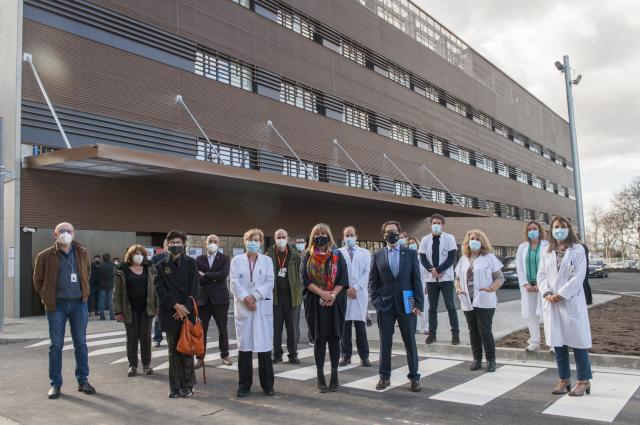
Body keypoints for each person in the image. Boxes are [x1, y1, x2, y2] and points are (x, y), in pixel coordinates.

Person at [33, 222, 96, 399]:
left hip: (79, 304)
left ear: (74, 234)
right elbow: (37, 281)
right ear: (55, 234)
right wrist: (46, 296)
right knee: (56, 345)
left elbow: (87, 273)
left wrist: (84, 292)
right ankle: (55, 384)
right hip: (56, 305)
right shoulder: (44, 256)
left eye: (69, 231)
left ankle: (83, 380)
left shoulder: (82, 252)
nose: (65, 233)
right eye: (62, 231)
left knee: (81, 344)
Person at [538, 216, 592, 397]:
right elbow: (541, 275)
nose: (559, 229)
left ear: (569, 229)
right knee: (558, 342)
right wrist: (547, 293)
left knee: (578, 342)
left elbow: (579, 276)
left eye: (562, 226)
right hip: (551, 302)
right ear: (551, 230)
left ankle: (584, 380)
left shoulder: (577, 250)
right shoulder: (547, 250)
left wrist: (561, 294)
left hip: (570, 301)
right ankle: (564, 379)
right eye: (555, 227)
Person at [369, 220, 423, 392]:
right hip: (384, 305)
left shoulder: (410, 254)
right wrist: (376, 302)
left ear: (400, 233)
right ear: (383, 235)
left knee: (410, 342)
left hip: (407, 304)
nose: (390, 234)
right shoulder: (377, 255)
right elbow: (372, 282)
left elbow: (416, 280)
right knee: (385, 343)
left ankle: (414, 377)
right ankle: (384, 377)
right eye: (387, 232)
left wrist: (419, 304)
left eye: (394, 231)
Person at [301, 223, 349, 393]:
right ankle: (320, 376)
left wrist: (332, 295)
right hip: (315, 303)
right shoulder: (307, 256)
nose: (320, 236)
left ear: (329, 236)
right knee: (320, 340)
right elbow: (305, 280)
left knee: (335, 338)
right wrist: (322, 294)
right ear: (313, 236)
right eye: (317, 233)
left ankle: (335, 375)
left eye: (323, 233)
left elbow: (343, 279)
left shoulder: (338, 255)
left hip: (335, 302)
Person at [154, 230, 200, 398]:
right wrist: (175, 306)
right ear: (167, 245)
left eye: (178, 242)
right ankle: (174, 386)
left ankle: (188, 384)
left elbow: (195, 288)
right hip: (170, 312)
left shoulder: (191, 263)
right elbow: (160, 289)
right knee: (173, 351)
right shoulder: (160, 265)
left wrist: (184, 309)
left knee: (187, 350)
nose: (175, 245)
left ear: (184, 244)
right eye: (172, 243)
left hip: (186, 313)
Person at [230, 229, 275, 397]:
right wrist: (246, 299)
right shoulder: (236, 261)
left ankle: (268, 384)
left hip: (261, 306)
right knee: (245, 348)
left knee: (264, 348)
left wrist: (254, 297)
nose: (253, 242)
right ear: (245, 241)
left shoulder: (267, 261)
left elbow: (270, 282)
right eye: (250, 239)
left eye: (256, 240)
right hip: (244, 308)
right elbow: (234, 283)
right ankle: (244, 385)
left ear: (261, 242)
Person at [454, 229, 504, 372]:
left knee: (485, 331)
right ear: (467, 242)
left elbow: (500, 278)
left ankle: (491, 360)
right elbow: (457, 279)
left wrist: (491, 289)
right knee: (473, 331)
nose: (474, 241)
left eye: (477, 239)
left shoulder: (489, 257)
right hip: (467, 299)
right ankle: (477, 359)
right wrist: (458, 289)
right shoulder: (463, 259)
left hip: (484, 300)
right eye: (471, 238)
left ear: (482, 242)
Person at [113, 244, 158, 377]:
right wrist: (117, 311)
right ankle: (132, 365)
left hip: (146, 308)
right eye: (135, 253)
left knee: (145, 337)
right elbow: (117, 292)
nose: (138, 256)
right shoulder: (122, 270)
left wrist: (157, 305)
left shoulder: (150, 268)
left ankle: (146, 365)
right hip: (129, 309)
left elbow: (156, 288)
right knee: (131, 338)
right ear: (130, 255)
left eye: (141, 253)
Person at [419, 214, 460, 345]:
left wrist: (439, 270)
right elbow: (423, 258)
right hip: (431, 279)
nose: (436, 225)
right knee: (432, 308)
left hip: (446, 278)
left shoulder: (449, 238)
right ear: (431, 224)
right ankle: (432, 334)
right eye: (434, 223)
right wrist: (432, 270)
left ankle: (455, 334)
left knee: (450, 306)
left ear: (443, 225)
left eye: (439, 223)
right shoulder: (425, 239)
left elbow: (451, 257)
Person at [195, 234, 232, 368]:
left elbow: (224, 274)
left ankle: (225, 355)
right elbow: (196, 277)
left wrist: (205, 275)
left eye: (215, 241)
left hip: (220, 300)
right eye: (210, 241)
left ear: (219, 243)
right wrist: (213, 277)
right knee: (201, 330)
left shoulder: (224, 258)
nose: (212, 243)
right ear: (206, 243)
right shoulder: (199, 259)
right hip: (203, 300)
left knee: (222, 329)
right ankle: (200, 357)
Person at [266, 229, 302, 364]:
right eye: (278, 237)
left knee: (292, 327)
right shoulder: (269, 254)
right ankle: (277, 354)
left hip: (292, 296)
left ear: (288, 238)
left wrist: (300, 290)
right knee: (276, 327)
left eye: (283, 237)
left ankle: (293, 355)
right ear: (275, 239)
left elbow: (302, 275)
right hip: (275, 296)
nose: (281, 239)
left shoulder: (296, 255)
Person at [338, 226, 371, 367]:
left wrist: (355, 288)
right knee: (345, 328)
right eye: (347, 235)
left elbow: (367, 272)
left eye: (351, 235)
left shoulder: (365, 252)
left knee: (360, 327)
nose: (349, 237)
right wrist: (346, 288)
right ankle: (346, 356)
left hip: (359, 294)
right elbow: (336, 274)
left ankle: (364, 356)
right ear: (343, 237)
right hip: (343, 294)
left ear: (356, 236)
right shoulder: (338, 253)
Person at [515, 221, 549, 353]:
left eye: (535, 229)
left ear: (540, 230)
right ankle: (535, 341)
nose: (532, 231)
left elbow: (549, 266)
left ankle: (552, 343)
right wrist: (525, 284)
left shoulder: (547, 246)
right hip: (528, 287)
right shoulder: (522, 247)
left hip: (544, 286)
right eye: (529, 229)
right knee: (531, 314)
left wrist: (541, 285)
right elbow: (519, 267)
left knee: (547, 313)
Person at [408, 237, 429, 336]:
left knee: (424, 306)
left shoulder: (422, 257)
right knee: (412, 306)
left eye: (413, 243)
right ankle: (414, 327)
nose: (412, 244)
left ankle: (426, 327)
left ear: (417, 244)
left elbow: (426, 271)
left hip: (422, 284)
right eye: (410, 243)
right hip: (410, 285)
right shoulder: (407, 256)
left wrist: (426, 285)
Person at [151, 240, 169, 347]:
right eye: (167, 245)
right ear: (164, 246)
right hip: (160, 291)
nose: (169, 247)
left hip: (173, 292)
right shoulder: (156, 258)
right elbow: (152, 274)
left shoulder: (179, 258)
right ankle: (157, 338)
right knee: (159, 316)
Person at [98, 253, 117, 320]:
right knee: (111, 301)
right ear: (109, 258)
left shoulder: (100, 265)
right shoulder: (113, 265)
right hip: (111, 285)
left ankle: (102, 316)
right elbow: (116, 275)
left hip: (102, 285)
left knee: (101, 301)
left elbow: (98, 275)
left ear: (103, 258)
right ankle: (112, 316)